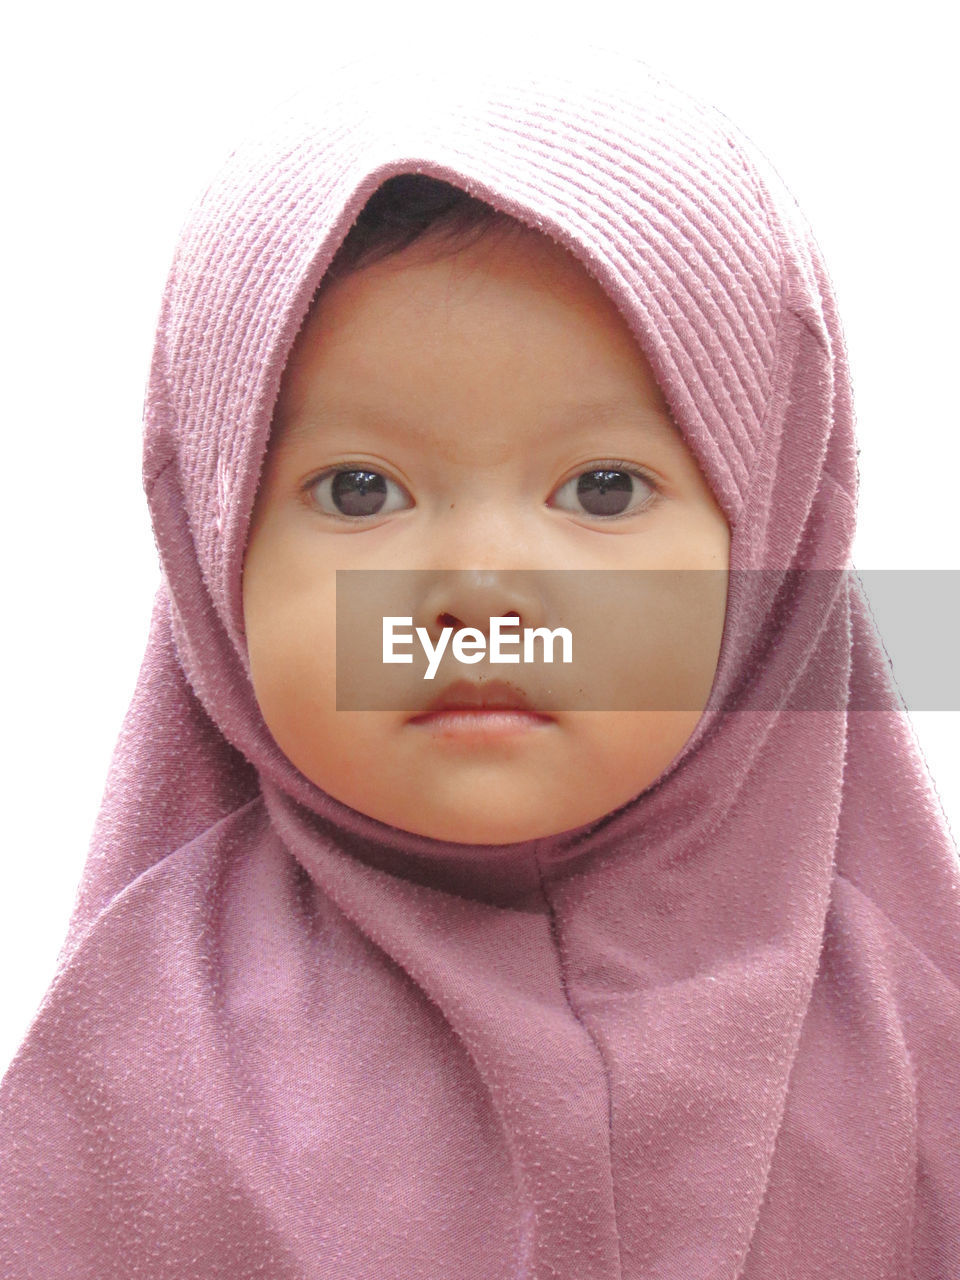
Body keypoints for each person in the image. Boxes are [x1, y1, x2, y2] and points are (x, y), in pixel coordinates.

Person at [1, 38, 958, 1279]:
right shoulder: (131, 1076)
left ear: (775, 534)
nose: (480, 586)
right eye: (358, 489)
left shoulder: (913, 1045)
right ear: (211, 556)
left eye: (603, 487)